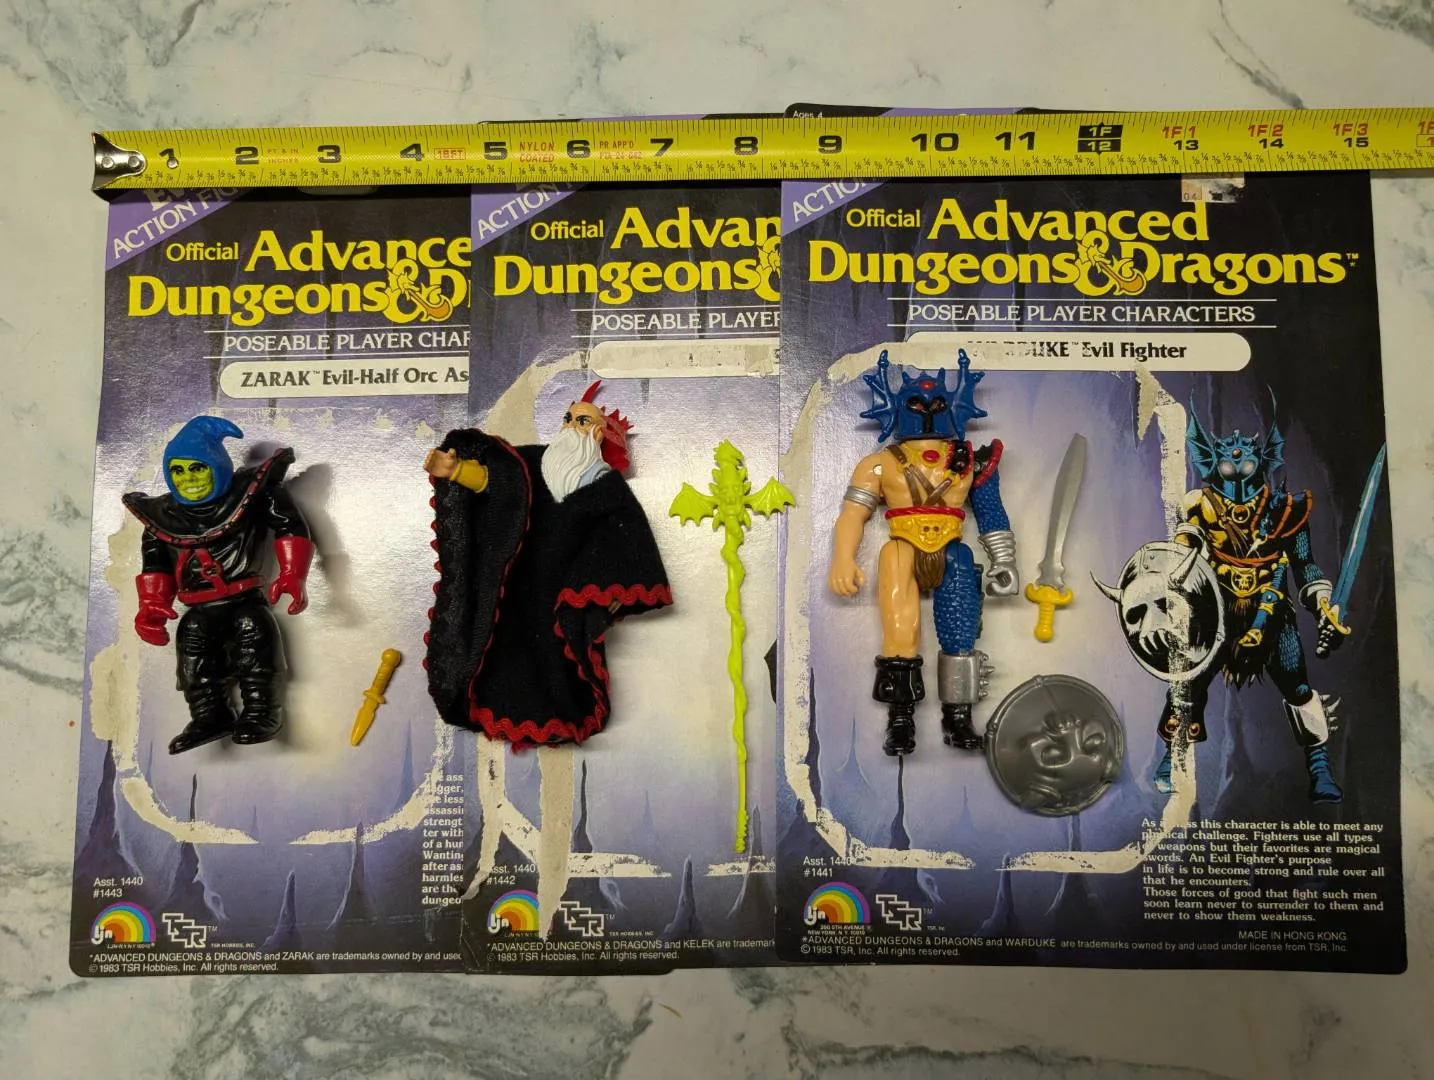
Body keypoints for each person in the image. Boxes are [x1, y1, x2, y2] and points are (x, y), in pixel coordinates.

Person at [423, 382, 672, 747]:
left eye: (582, 421)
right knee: (503, 646)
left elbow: (628, 537)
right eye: (568, 418)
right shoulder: (533, 463)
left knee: (558, 659)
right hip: (514, 575)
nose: (570, 426)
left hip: (565, 591)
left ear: (598, 434)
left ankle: (559, 714)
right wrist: (457, 470)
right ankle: (491, 703)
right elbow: (498, 482)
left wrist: (611, 593)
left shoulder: (605, 486)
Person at [828, 350, 1018, 756]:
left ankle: (958, 715)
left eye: (936, 405)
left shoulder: (970, 460)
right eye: (916, 405)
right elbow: (853, 514)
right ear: (898, 408)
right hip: (902, 548)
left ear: (953, 407)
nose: (927, 413)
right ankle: (901, 717)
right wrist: (842, 558)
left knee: (960, 631)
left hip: (952, 550)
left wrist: (1004, 559)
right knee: (901, 631)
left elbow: (990, 512)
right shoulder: (879, 465)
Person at [123, 416, 313, 754]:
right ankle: (209, 716)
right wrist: (151, 604)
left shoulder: (250, 497)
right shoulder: (162, 519)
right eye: (178, 471)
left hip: (245, 598)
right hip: (198, 606)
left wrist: (292, 573)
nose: (188, 479)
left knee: (254, 633)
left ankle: (263, 711)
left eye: (197, 468)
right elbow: (154, 564)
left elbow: (289, 525)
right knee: (191, 641)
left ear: (216, 466)